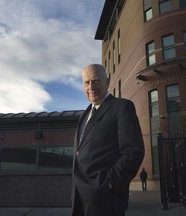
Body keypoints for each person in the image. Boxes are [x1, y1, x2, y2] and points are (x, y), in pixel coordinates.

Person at [71, 64, 145, 216]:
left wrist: (109, 183)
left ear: (107, 81)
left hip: (106, 198)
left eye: (96, 81)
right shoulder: (84, 116)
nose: (91, 86)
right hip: (81, 195)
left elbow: (133, 152)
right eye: (86, 82)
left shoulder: (122, 107)